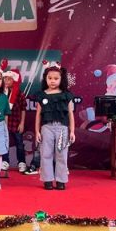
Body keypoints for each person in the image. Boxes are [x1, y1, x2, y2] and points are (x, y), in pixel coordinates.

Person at [35, 62, 76, 190]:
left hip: (62, 128)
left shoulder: (66, 95)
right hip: (46, 128)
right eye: (50, 78)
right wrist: (37, 131)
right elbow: (38, 115)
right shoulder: (42, 95)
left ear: (61, 79)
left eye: (56, 78)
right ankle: (47, 180)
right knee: (45, 154)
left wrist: (72, 131)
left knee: (61, 155)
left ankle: (61, 180)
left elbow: (70, 114)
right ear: (45, 79)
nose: (52, 81)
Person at [2, 68, 26, 172]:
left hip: (16, 122)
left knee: (19, 143)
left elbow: (23, 109)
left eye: (9, 79)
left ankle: (21, 162)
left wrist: (22, 123)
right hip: (4, 123)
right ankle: (5, 161)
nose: (6, 81)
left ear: (14, 80)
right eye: (5, 79)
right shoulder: (2, 93)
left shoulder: (20, 94)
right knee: (4, 143)